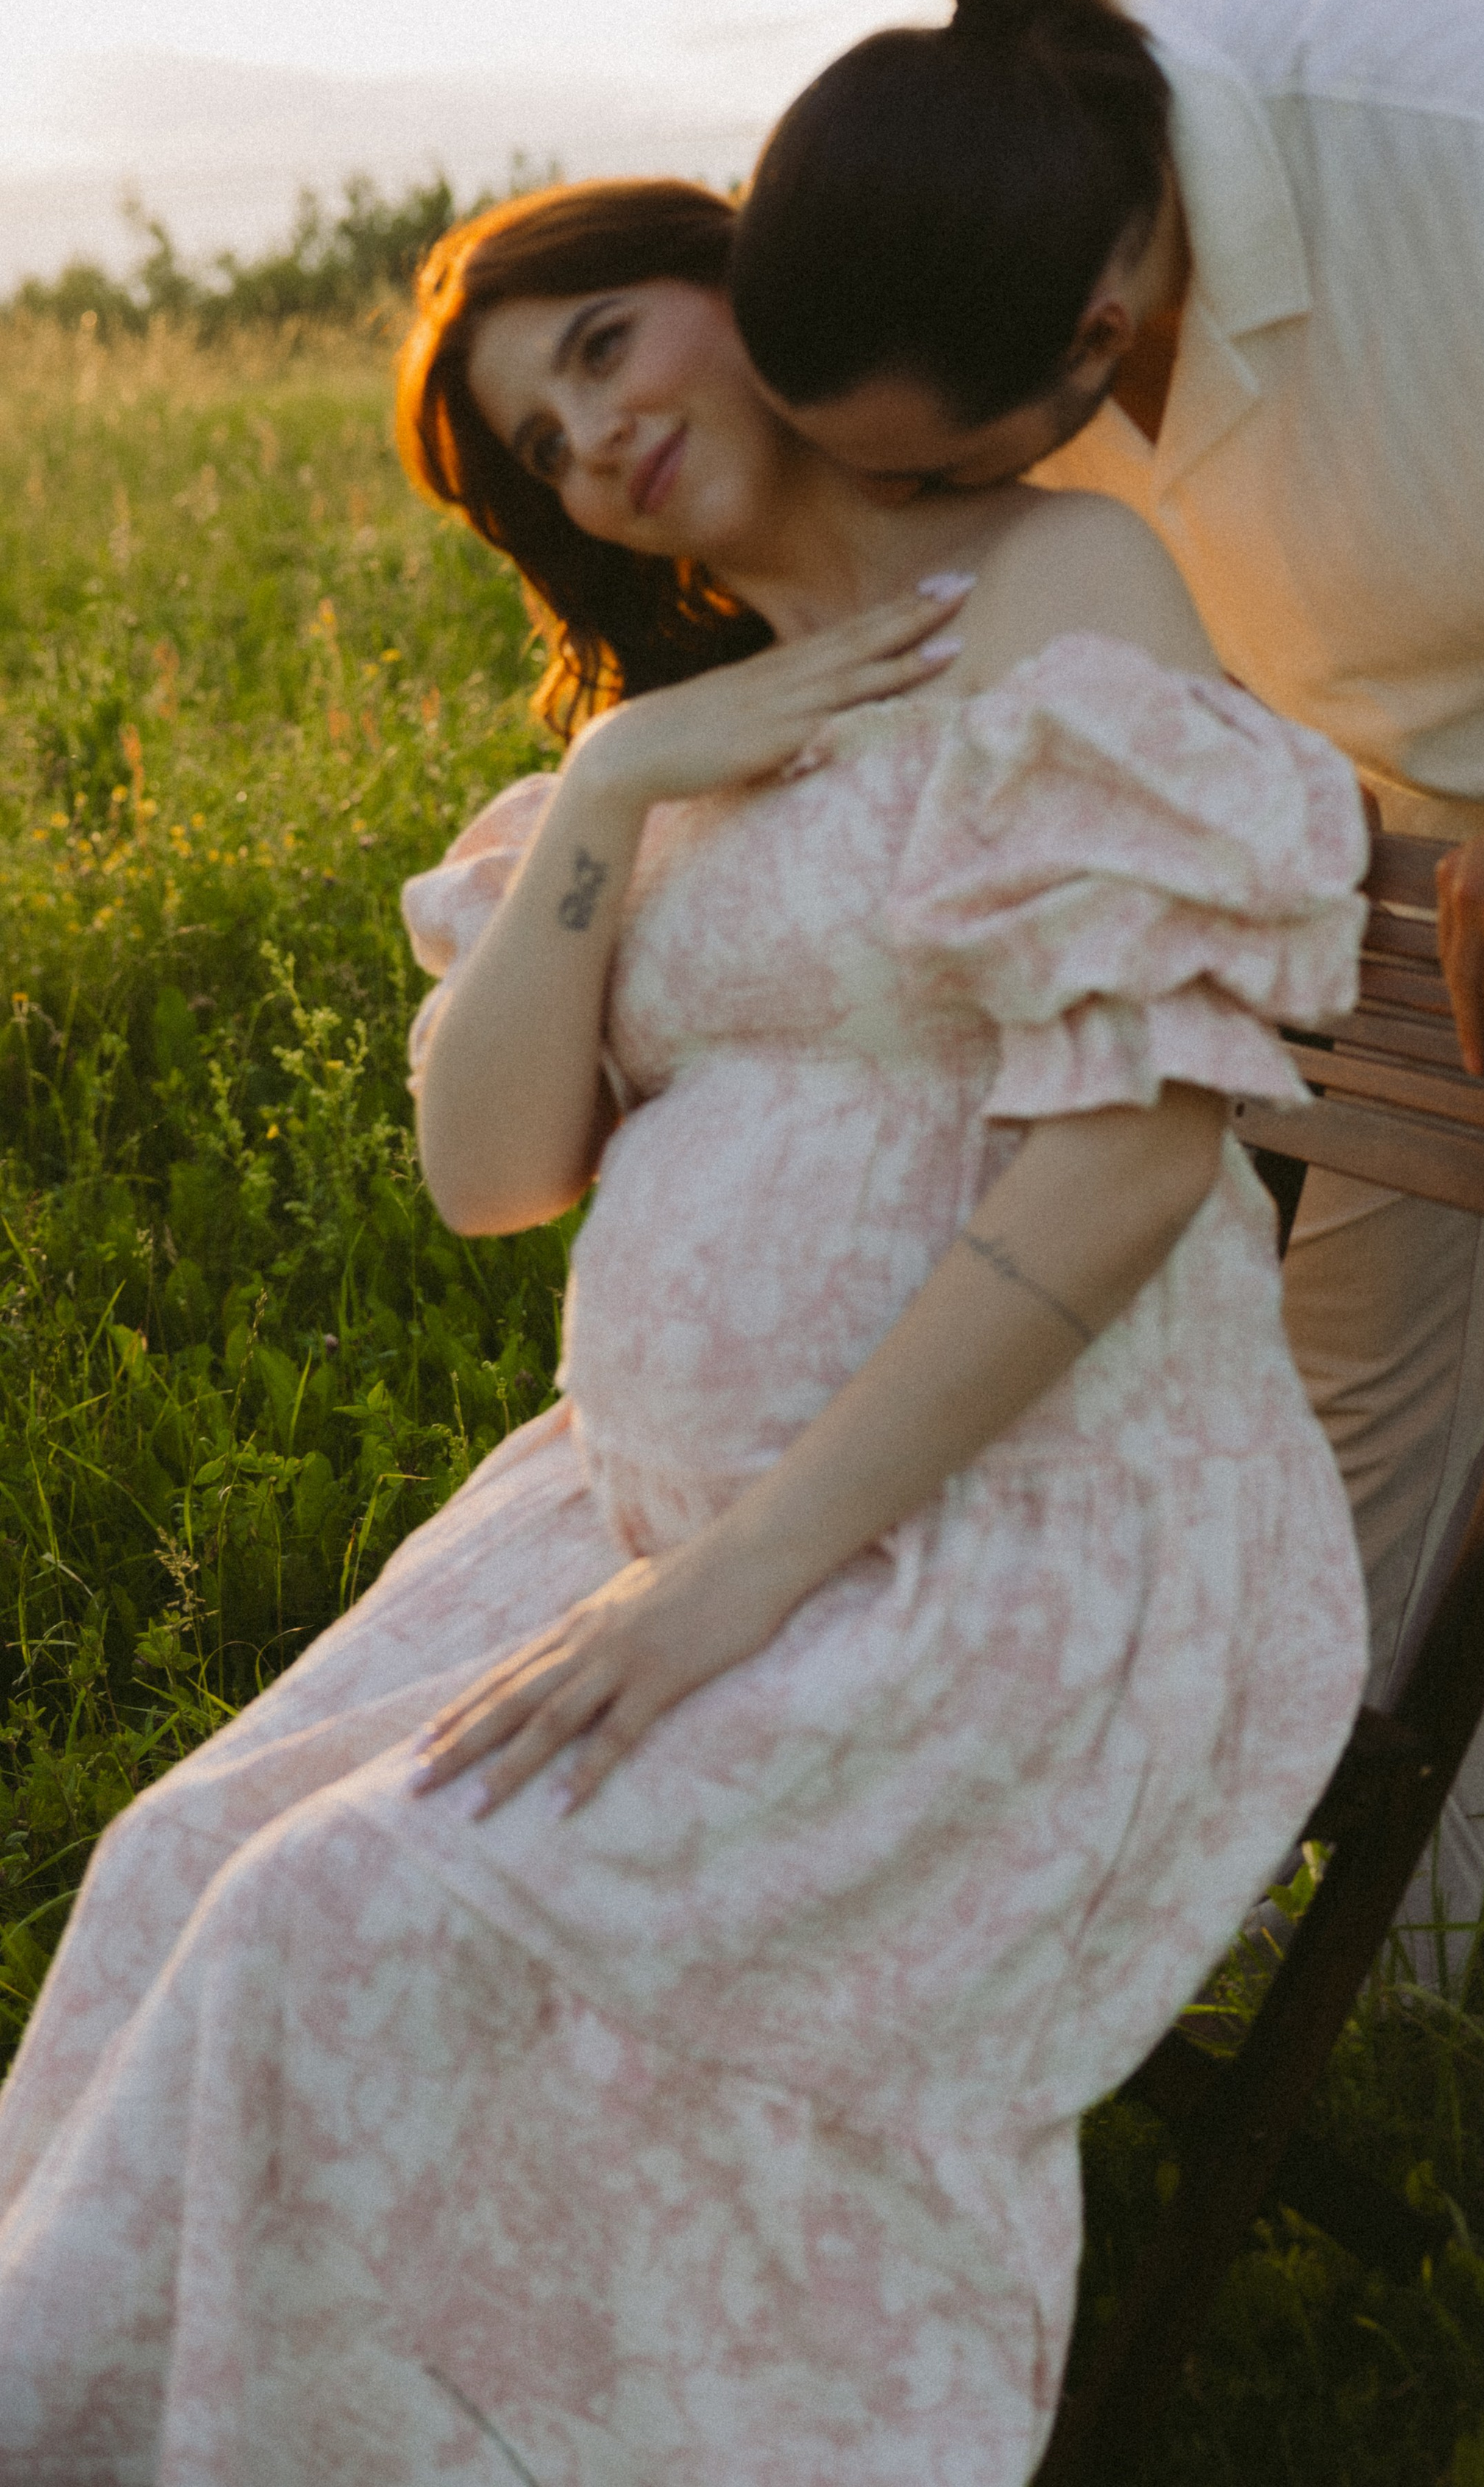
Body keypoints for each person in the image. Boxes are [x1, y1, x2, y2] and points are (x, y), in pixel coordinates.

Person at [0, 176, 1371, 2483]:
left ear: (753, 292)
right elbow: (490, 1171)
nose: (596, 433)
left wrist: (734, 1586)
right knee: (182, 1856)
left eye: (614, 342)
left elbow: (1135, 1160)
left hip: (1022, 1540)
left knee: (351, 1911)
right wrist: (630, 780)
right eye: (544, 436)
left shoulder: (1053, 585)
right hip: (647, 1517)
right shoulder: (675, 731)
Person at [730, 0, 1484, 1982]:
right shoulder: (979, 213)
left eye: (940, 475)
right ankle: (1360, 1986)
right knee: (1374, 1428)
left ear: (1089, 349)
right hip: (1401, 831)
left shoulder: (1474, 136)